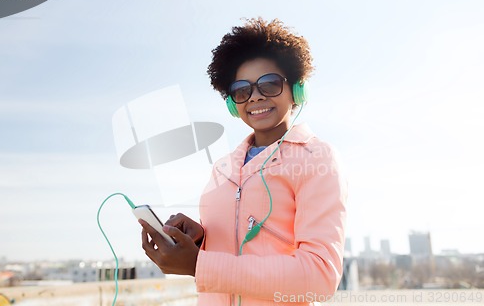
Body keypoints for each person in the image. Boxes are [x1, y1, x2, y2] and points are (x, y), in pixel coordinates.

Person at [139, 17, 347, 306]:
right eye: (242, 90)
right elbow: (236, 245)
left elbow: (319, 277)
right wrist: (200, 239)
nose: (255, 97)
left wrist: (200, 265)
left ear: (297, 89)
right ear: (232, 103)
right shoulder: (222, 168)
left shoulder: (317, 158)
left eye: (270, 84)